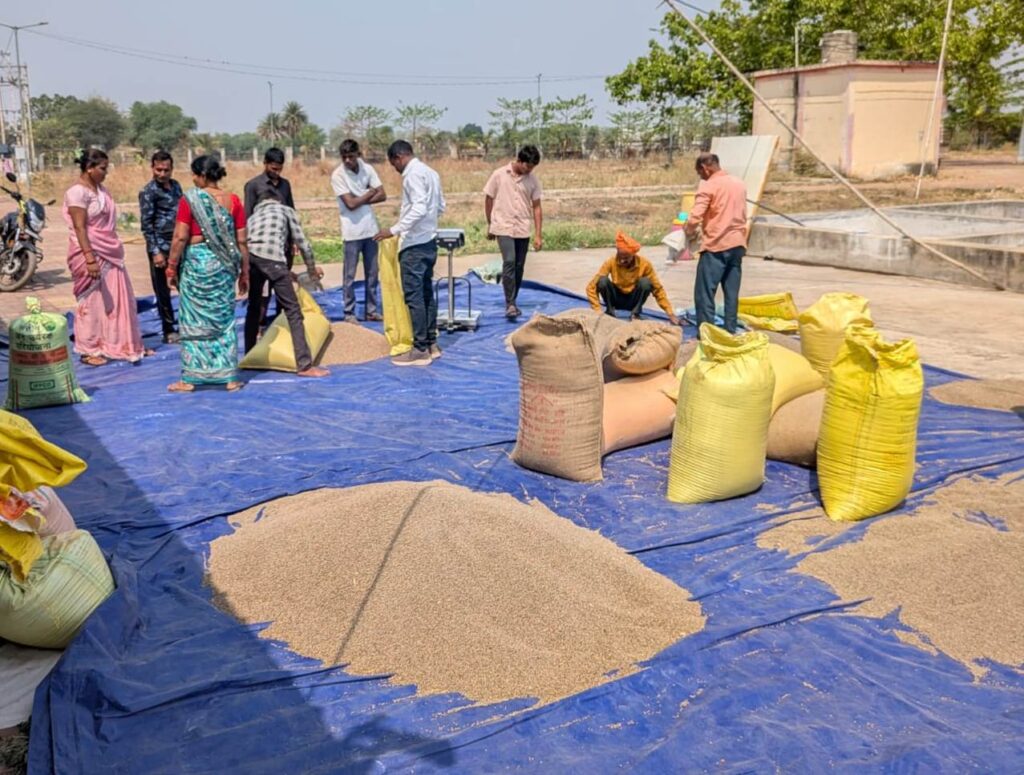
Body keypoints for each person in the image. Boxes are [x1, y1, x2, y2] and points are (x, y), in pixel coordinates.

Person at [165, 155, 250, 392]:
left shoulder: (189, 200)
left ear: (203, 176)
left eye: (194, 174)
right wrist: (245, 272)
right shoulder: (233, 201)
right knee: (224, 320)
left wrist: (171, 267)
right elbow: (242, 241)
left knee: (194, 320)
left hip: (196, 266)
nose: (192, 180)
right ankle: (230, 377)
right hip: (223, 268)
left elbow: (180, 237)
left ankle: (190, 379)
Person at [63, 148, 147, 366]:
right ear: (89, 168)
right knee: (90, 303)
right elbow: (80, 228)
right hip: (88, 253)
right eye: (102, 168)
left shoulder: (102, 191)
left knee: (117, 301)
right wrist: (90, 258)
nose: (105, 173)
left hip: (110, 252)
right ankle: (88, 349)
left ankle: (118, 344)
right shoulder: (77, 193)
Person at [373, 140, 446, 367]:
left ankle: (420, 349)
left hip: (414, 245)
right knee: (426, 294)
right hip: (429, 242)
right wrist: (427, 226)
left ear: (398, 157)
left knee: (414, 297)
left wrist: (393, 230)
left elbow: (419, 207)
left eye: (393, 163)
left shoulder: (412, 175)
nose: (395, 168)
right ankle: (432, 343)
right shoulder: (431, 173)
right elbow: (440, 206)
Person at [244, 189, 328, 377]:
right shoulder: (285, 211)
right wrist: (311, 269)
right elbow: (303, 243)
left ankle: (249, 356)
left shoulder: (253, 217)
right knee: (293, 310)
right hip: (273, 261)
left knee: (253, 308)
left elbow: (244, 242)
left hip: (251, 259)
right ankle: (305, 365)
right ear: (278, 201)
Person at [685, 152, 748, 333]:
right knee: (731, 294)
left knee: (704, 294)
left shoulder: (709, 186)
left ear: (705, 168)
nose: (701, 176)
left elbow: (695, 216)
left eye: (700, 173)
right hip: (737, 244)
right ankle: (730, 331)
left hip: (716, 246)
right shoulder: (739, 183)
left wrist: (687, 232)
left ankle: (707, 334)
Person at [483, 145, 543, 320]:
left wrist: (538, 234)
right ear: (520, 161)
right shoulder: (499, 175)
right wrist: (491, 224)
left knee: (518, 266)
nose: (530, 170)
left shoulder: (532, 181)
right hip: (503, 226)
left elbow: (537, 207)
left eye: (533, 167)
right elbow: (488, 198)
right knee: (509, 261)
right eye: (528, 166)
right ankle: (510, 303)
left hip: (522, 228)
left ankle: (513, 299)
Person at [330, 139, 387, 322]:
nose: (348, 160)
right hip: (351, 231)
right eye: (344, 157)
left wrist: (359, 198)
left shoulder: (367, 169)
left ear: (358, 155)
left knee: (372, 273)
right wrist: (369, 193)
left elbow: (383, 195)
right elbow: (350, 204)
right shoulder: (338, 175)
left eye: (351, 156)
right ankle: (349, 312)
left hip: (370, 229)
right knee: (349, 275)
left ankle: (371, 311)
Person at [244, 148, 295, 332]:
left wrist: (293, 241)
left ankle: (281, 325)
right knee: (260, 292)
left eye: (279, 169)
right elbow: (248, 216)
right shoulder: (253, 186)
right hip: (261, 248)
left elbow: (291, 212)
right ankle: (259, 325)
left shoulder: (285, 185)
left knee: (283, 288)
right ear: (265, 164)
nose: (276, 172)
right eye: (273, 168)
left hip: (282, 245)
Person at [586, 231, 680, 324]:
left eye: (626, 258)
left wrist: (670, 313)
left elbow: (658, 289)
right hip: (616, 298)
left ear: (633, 255)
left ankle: (635, 313)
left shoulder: (645, 264)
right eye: (620, 257)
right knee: (602, 281)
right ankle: (610, 311)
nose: (622, 261)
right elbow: (591, 287)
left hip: (633, 300)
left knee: (646, 282)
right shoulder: (610, 262)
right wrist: (597, 310)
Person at [138, 150, 183, 343]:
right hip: (160, 247)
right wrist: (155, 252)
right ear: (152, 168)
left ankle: (190, 322)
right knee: (163, 290)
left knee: (185, 285)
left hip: (178, 245)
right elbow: (146, 225)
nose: (162, 174)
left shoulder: (175, 187)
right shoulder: (148, 192)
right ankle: (168, 329)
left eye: (166, 170)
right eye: (159, 170)